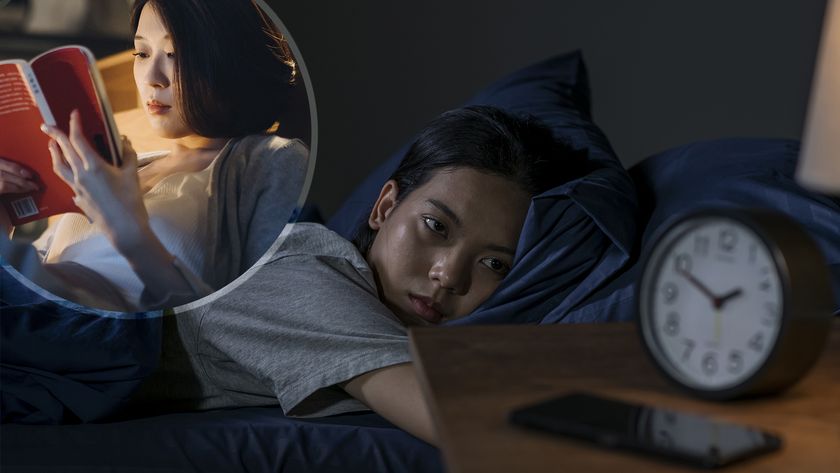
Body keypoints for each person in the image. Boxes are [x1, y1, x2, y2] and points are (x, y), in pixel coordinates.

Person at [130, 106, 591, 445]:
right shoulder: (303, 275)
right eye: (436, 226)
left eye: (494, 264)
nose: (449, 275)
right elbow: (480, 429)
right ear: (385, 207)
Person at [0, 0, 308, 311]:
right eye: (142, 54)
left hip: (94, 328)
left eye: (175, 54)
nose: (151, 78)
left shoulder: (271, 162)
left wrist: (125, 228)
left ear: (233, 62)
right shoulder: (118, 170)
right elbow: (30, 277)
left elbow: (248, 321)